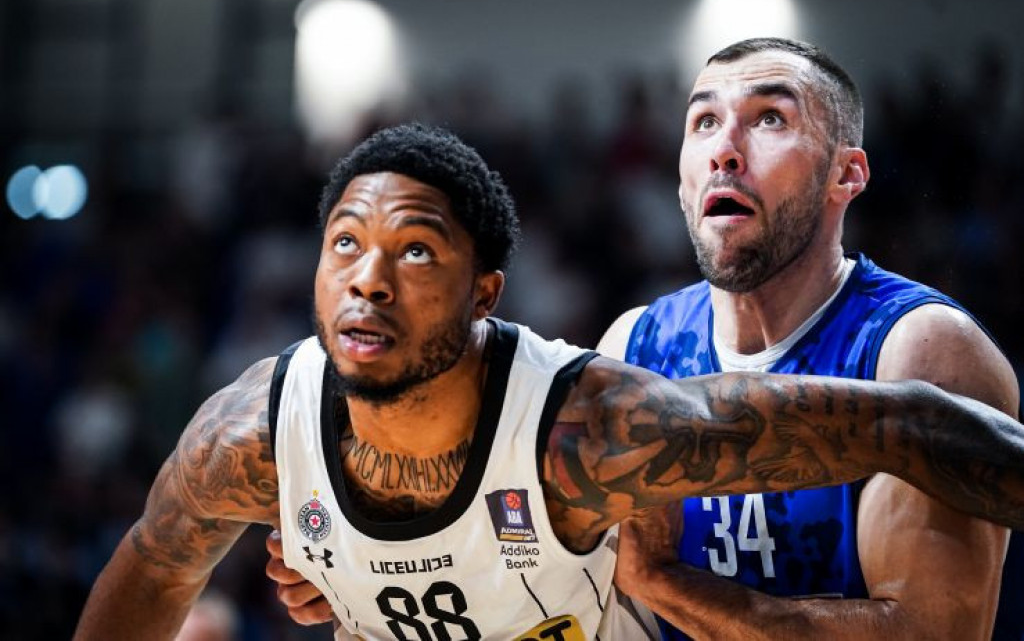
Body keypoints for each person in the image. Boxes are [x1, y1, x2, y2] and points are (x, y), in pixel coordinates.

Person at [75, 123, 1024, 641]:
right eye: (346, 245)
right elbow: (155, 564)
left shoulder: (586, 430)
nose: (370, 278)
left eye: (416, 250)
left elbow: (903, 426)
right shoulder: (251, 435)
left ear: (484, 294)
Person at [599, 38, 1022, 640]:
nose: (724, 150)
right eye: (705, 121)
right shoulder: (632, 348)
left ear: (845, 174)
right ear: (681, 184)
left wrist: (661, 580)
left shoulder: (921, 350)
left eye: (770, 118)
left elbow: (927, 633)